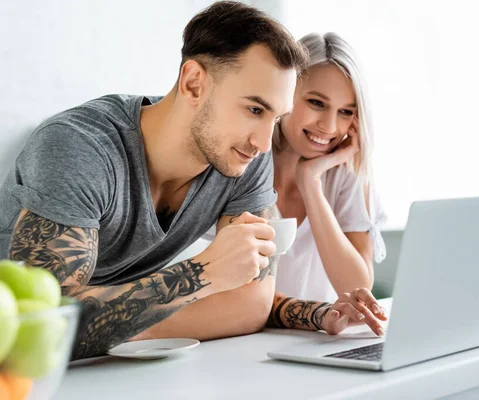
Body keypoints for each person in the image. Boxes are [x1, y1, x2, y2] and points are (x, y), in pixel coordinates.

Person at [0, 1, 384, 360]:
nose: (264, 142)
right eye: (254, 109)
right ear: (194, 83)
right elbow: (43, 331)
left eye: (275, 117)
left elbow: (250, 306)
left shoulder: (244, 159)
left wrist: (311, 313)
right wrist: (202, 274)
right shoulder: (79, 149)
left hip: (126, 366)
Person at [272, 32, 388, 304]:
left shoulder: (347, 176)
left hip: (320, 340)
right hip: (241, 338)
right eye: (316, 103)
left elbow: (357, 288)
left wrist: (310, 181)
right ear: (285, 92)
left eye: (346, 112)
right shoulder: (245, 163)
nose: (329, 126)